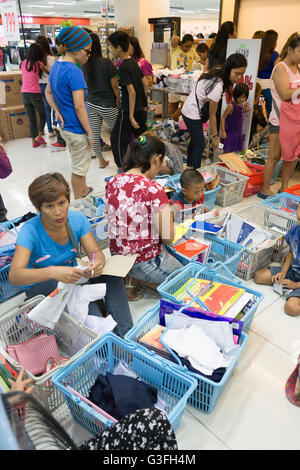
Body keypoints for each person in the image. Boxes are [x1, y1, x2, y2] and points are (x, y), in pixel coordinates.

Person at [8, 173, 133, 337]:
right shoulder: (30, 230)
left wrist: (96, 264)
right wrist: (53, 271)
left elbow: (96, 254)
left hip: (72, 277)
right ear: (38, 209)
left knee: (112, 276)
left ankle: (126, 335)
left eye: (62, 203)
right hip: (43, 283)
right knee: (90, 317)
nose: (58, 211)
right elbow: (15, 275)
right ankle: (102, 339)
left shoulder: (77, 219)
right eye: (49, 206)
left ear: (68, 200)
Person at [106, 134, 183, 301]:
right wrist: (168, 216)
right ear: (156, 159)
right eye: (163, 161)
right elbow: (168, 238)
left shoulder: (113, 181)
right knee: (186, 279)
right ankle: (135, 278)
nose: (163, 166)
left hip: (116, 253)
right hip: (143, 260)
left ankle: (128, 278)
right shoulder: (154, 189)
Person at [45, 26, 95, 200]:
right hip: (77, 128)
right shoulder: (75, 72)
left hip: (65, 126)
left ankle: (84, 189)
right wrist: (90, 133)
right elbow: (80, 106)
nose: (89, 55)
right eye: (87, 51)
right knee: (78, 170)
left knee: (79, 163)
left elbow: (48, 93)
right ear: (76, 48)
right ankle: (79, 202)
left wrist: (57, 111)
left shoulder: (57, 65)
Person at [181, 53, 248, 169]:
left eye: (241, 74)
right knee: (200, 145)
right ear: (229, 69)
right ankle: (196, 174)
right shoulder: (218, 85)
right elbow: (213, 115)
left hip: (190, 107)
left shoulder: (220, 71)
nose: (239, 77)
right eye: (236, 73)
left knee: (195, 139)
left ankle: (190, 166)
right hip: (192, 112)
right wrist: (215, 136)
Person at [258, 32, 300, 198]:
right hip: (280, 119)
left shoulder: (297, 68)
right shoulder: (280, 68)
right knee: (274, 156)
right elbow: (284, 94)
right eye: (299, 51)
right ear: (289, 50)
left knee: (290, 156)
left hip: (295, 120)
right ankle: (265, 189)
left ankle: (284, 188)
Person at [108, 31, 148, 170]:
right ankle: (147, 165)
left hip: (128, 111)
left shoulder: (123, 66)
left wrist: (130, 115)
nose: (110, 50)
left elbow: (131, 92)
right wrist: (143, 104)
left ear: (119, 48)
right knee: (143, 139)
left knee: (117, 140)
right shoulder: (133, 62)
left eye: (111, 47)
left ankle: (123, 169)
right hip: (140, 109)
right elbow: (146, 83)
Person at [81, 31, 120, 170]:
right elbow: (115, 86)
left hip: (91, 103)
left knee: (95, 134)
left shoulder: (84, 63)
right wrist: (118, 99)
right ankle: (122, 161)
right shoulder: (106, 63)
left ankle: (101, 161)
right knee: (120, 132)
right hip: (107, 105)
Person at [254, 203, 300, 317]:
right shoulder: (295, 229)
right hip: (293, 272)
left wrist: (296, 285)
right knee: (258, 275)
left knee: (291, 308)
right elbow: (290, 253)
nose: (299, 216)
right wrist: (283, 272)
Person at [20, 43, 48, 149]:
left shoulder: (22, 63)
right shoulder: (38, 64)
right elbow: (48, 72)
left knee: (31, 118)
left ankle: (34, 142)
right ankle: (40, 137)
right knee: (43, 115)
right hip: (34, 93)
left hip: (24, 93)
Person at [169, 33, 200, 121]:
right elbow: (174, 38)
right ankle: (173, 125)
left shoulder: (193, 51)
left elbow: (201, 60)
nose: (188, 48)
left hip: (186, 82)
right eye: (186, 46)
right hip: (173, 80)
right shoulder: (175, 49)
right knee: (172, 107)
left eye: (190, 46)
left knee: (185, 106)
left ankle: (172, 119)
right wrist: (179, 41)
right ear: (182, 43)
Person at [35, 35, 57, 138]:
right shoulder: (52, 58)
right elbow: (54, 73)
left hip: (40, 85)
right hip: (51, 85)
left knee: (46, 108)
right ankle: (55, 126)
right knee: (54, 106)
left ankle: (50, 129)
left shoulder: (36, 61)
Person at [220, 82, 249, 153]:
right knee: (226, 154)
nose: (241, 99)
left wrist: (245, 109)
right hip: (229, 134)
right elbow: (223, 118)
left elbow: (239, 115)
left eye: (243, 97)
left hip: (238, 134)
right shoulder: (231, 106)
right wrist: (223, 132)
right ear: (235, 95)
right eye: (239, 97)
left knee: (234, 155)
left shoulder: (241, 105)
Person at [257, 30, 280, 117]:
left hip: (257, 87)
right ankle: (269, 129)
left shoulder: (258, 52)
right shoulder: (274, 55)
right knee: (271, 111)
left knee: (260, 108)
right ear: (273, 42)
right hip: (268, 89)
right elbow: (278, 71)